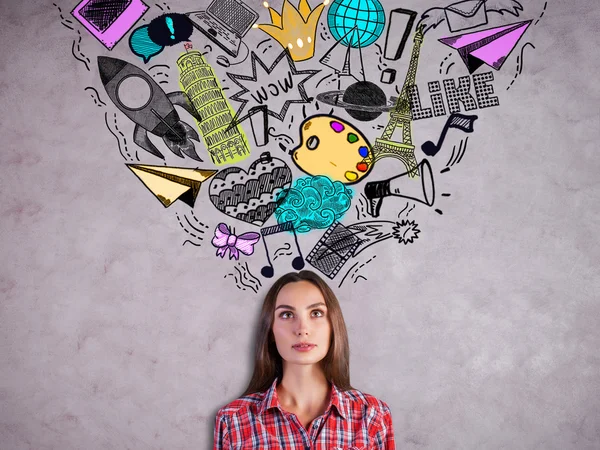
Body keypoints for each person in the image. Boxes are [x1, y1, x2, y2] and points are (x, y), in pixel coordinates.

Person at [213, 270, 395, 449]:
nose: (302, 329)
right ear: (270, 331)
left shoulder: (373, 415)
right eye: (287, 315)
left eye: (316, 313)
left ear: (333, 326)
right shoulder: (232, 420)